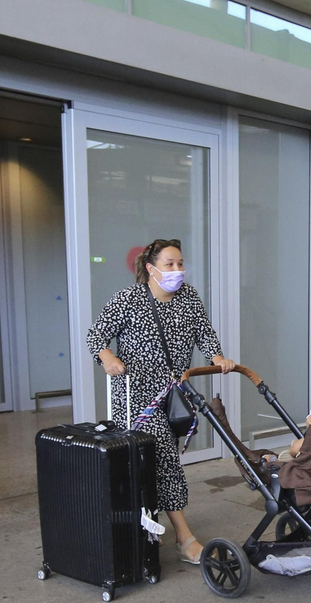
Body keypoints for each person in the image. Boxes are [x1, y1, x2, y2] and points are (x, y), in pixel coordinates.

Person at [87, 239, 236, 565]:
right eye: (169, 264)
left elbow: (204, 333)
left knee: (154, 464)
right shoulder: (128, 299)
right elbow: (95, 335)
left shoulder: (189, 297)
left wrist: (218, 356)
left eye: (180, 263)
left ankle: (146, 524)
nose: (177, 270)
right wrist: (108, 356)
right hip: (136, 399)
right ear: (151, 269)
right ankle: (184, 537)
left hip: (174, 395)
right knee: (166, 457)